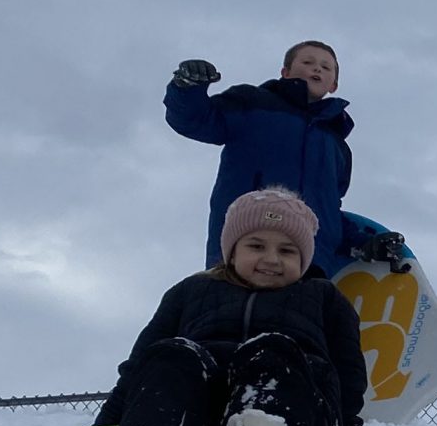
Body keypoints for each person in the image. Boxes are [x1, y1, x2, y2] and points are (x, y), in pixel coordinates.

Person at [92, 189, 367, 426]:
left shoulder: (325, 297)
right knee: (173, 354)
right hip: (196, 424)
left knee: (274, 350)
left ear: (305, 258)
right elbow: (141, 365)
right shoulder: (191, 291)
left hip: (292, 423)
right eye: (256, 245)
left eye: (287, 250)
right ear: (231, 250)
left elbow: (348, 373)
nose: (272, 258)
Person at [165, 41, 406, 274]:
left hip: (309, 263)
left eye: (326, 67)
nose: (317, 68)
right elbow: (195, 119)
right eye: (308, 61)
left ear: (334, 84)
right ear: (286, 72)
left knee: (301, 315)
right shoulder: (253, 103)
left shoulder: (337, 147)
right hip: (246, 246)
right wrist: (187, 87)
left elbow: (328, 209)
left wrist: (363, 244)